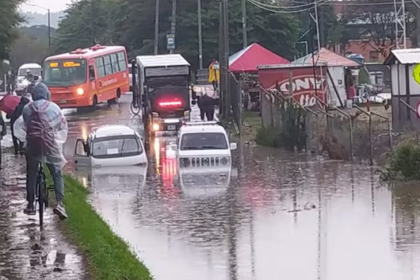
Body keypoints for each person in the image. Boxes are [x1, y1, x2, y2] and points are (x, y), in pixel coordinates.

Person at [21, 82, 68, 219]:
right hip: (50, 145)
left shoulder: (27, 108)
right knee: (57, 173)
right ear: (47, 94)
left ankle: (30, 204)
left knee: (31, 172)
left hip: (33, 146)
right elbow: (62, 126)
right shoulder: (54, 108)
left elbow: (25, 125)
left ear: (33, 95)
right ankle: (60, 203)